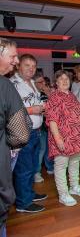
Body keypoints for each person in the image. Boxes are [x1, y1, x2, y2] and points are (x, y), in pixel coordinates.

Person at [0, 38, 31, 236]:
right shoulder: (5, 85)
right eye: (12, 56)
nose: (16, 60)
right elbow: (20, 133)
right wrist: (8, 146)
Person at [46, 70, 80, 207]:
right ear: (56, 82)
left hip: (76, 138)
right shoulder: (54, 97)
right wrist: (58, 139)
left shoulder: (71, 95)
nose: (65, 81)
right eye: (61, 79)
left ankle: (74, 186)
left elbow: (79, 117)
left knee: (75, 162)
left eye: (67, 79)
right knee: (61, 166)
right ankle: (63, 194)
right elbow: (52, 120)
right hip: (62, 138)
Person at [10, 54, 47, 213]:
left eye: (33, 66)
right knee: (23, 168)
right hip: (23, 131)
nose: (31, 69)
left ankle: (29, 194)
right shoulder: (13, 84)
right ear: (19, 66)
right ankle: (23, 203)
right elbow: (8, 109)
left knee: (32, 166)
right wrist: (33, 110)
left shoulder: (32, 82)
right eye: (27, 65)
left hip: (36, 131)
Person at [33, 73, 54, 183]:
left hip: (48, 125)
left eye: (45, 83)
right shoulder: (35, 95)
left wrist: (49, 94)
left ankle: (50, 167)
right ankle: (36, 172)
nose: (43, 85)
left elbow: (53, 107)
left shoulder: (45, 94)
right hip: (39, 126)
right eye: (41, 82)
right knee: (41, 149)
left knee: (49, 148)